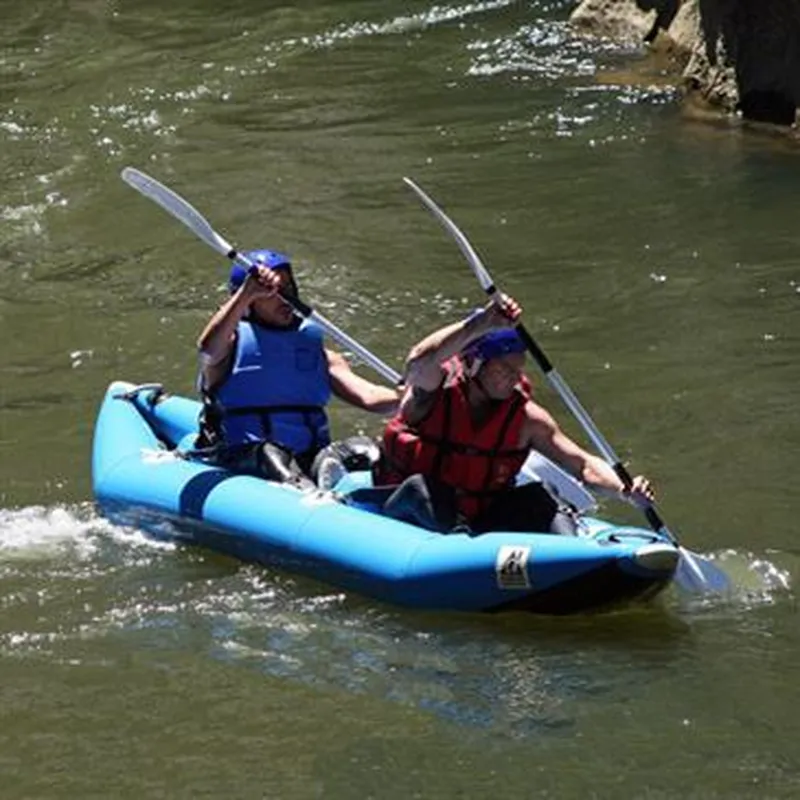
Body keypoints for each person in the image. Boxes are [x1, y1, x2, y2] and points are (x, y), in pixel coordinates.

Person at [372, 295, 655, 534]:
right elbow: (418, 359)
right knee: (422, 489)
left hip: (478, 521)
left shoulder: (528, 419)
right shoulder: (432, 394)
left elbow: (582, 464)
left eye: (517, 369)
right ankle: (462, 556)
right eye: (502, 369)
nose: (513, 378)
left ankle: (570, 557)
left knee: (542, 496)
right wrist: (481, 323)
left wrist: (625, 490)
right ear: (473, 365)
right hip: (408, 510)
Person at [196, 249, 400, 487]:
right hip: (243, 457)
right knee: (270, 454)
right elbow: (208, 349)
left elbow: (370, 397)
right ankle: (303, 493)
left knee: (366, 449)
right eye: (272, 293)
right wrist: (246, 293)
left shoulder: (320, 353)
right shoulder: (228, 347)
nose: (285, 299)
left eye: (288, 289)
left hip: (308, 458)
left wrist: (411, 396)